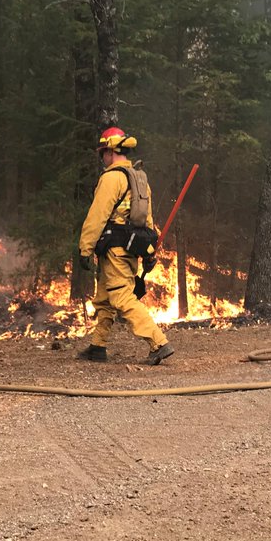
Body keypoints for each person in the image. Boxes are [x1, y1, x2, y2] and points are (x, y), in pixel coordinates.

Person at [76, 126, 173, 365]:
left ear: (110, 151)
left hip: (114, 249)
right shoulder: (139, 178)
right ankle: (98, 346)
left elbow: (97, 215)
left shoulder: (111, 178)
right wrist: (150, 251)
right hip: (131, 248)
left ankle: (158, 343)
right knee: (104, 298)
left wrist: (85, 248)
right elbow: (147, 219)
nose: (102, 158)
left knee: (121, 296)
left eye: (102, 153)